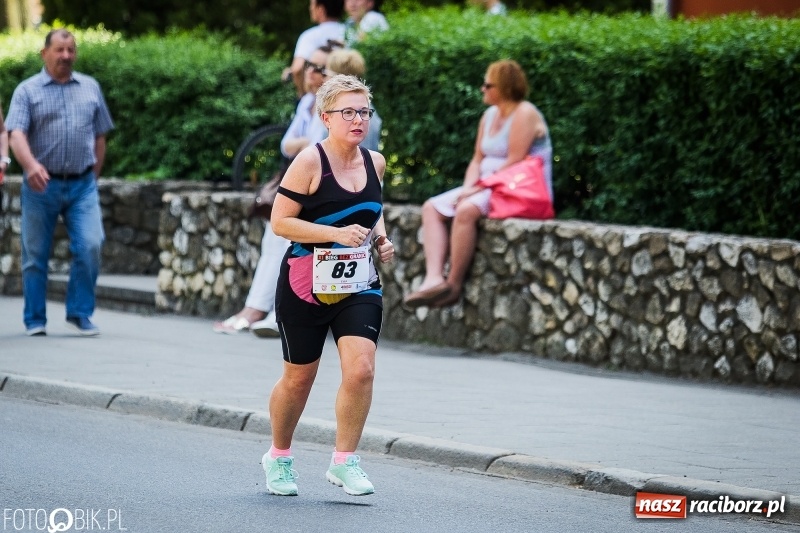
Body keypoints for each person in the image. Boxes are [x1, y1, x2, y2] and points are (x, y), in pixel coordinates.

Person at [260, 74, 394, 497]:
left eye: (364, 112)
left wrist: (381, 238)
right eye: (348, 112)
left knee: (362, 369)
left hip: (359, 283)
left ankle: (344, 461)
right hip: (306, 283)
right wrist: (336, 235)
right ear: (325, 117)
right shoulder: (309, 162)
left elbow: (372, 210)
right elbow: (280, 222)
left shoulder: (375, 162)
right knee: (299, 379)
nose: (358, 120)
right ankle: (279, 457)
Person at [403, 59, 552, 308]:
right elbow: (477, 159)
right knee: (432, 207)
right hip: (486, 185)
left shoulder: (525, 113)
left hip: (514, 187)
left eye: (487, 84)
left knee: (465, 211)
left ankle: (453, 285)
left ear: (504, 87)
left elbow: (515, 162)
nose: (482, 89)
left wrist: (475, 190)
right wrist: (469, 186)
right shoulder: (489, 115)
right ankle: (433, 279)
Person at [214, 45, 338, 336]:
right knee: (273, 241)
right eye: (309, 65)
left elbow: (317, 147)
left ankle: (275, 313)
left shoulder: (334, 107)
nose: (311, 72)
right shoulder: (308, 102)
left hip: (321, 187)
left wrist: (302, 144)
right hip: (300, 181)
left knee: (289, 243)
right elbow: (287, 144)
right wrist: (302, 144)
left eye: (320, 67)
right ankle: (254, 308)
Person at [5, 29, 114, 337]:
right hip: (42, 185)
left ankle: (79, 313)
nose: (66, 56)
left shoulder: (90, 87)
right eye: (59, 50)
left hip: (82, 184)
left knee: (91, 245)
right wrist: (31, 166)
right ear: (45, 53)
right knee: (35, 254)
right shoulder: (27, 91)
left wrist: (93, 175)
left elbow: (100, 135)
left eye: (71, 50)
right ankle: (35, 319)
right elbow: (16, 135)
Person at [307, 48, 383, 151]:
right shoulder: (371, 113)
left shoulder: (335, 114)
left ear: (337, 79)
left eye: (326, 74)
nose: (324, 79)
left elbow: (316, 152)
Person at [283, 0, 346, 99]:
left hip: (318, 96)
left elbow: (297, 69)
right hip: (345, 92)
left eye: (312, 5)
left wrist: (302, 95)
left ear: (321, 9)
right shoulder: (350, 32)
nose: (310, 8)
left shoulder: (310, 36)